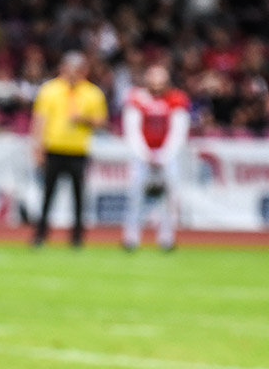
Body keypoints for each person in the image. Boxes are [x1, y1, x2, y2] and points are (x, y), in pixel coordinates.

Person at [31, 52, 107, 247]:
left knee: (79, 196)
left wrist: (84, 120)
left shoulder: (92, 93)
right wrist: (37, 147)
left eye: (77, 70)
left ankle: (77, 237)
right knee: (48, 194)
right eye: (69, 69)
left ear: (84, 71)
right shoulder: (49, 90)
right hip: (54, 148)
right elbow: (39, 120)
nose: (73, 74)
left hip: (78, 150)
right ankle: (40, 234)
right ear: (63, 68)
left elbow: (101, 121)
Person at [121, 64, 190, 252]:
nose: (157, 83)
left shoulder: (176, 98)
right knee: (136, 196)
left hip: (167, 156)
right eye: (154, 78)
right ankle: (131, 238)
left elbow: (178, 132)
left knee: (169, 198)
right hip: (142, 157)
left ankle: (166, 238)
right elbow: (132, 131)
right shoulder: (137, 97)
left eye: (161, 79)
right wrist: (145, 155)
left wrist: (164, 156)